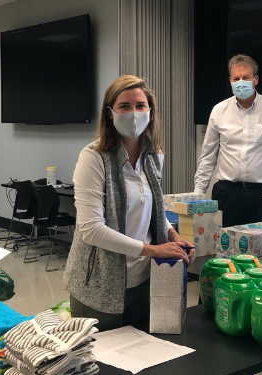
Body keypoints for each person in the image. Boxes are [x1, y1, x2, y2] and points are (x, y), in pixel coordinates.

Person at [64, 75, 195, 330]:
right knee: (101, 364)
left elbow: (154, 210)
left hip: (145, 280)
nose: (133, 113)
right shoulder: (93, 158)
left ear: (150, 111)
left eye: (139, 106)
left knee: (143, 356)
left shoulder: (154, 156)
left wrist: (172, 235)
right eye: (124, 106)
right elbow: (91, 229)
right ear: (110, 114)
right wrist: (154, 250)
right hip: (100, 286)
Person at [193, 54, 262, 227]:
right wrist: (198, 194)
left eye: (245, 78)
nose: (241, 82)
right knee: (224, 247)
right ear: (230, 81)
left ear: (255, 80)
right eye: (236, 78)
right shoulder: (219, 111)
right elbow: (208, 157)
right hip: (227, 193)